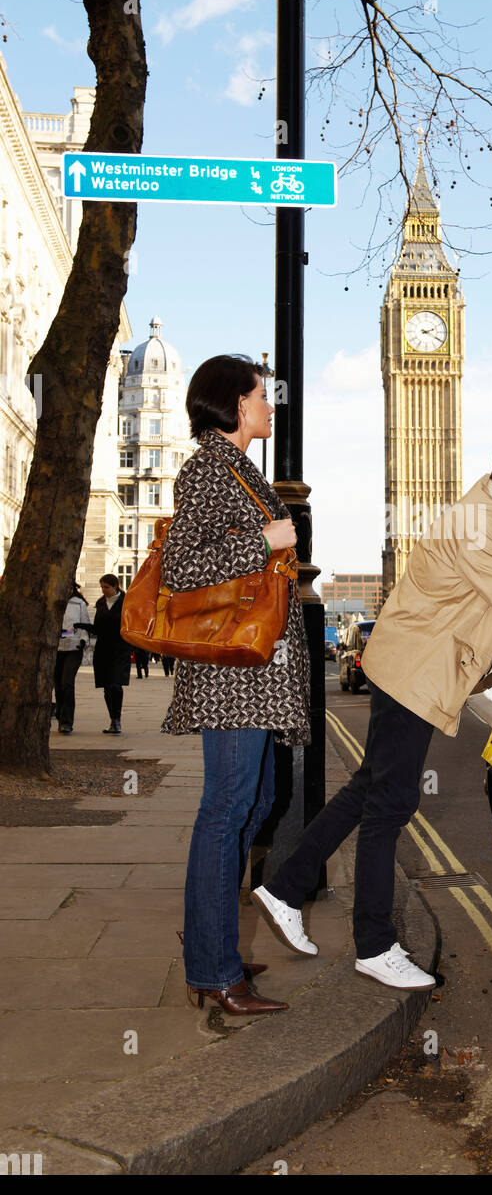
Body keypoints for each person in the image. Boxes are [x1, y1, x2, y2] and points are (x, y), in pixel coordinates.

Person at [253, 421, 492, 991]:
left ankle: (285, 886)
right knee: (390, 807)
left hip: (422, 664)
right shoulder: (481, 528)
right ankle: (374, 944)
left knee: (369, 787)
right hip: (414, 669)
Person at [160, 354, 310, 1017]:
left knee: (258, 801)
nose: (269, 405)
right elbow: (181, 567)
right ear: (232, 403)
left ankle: (209, 942)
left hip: (253, 676)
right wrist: (266, 542)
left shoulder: (238, 470)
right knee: (227, 812)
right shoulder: (207, 470)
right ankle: (214, 971)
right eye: (260, 395)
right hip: (230, 675)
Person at [93, 574, 132, 734]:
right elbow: (97, 626)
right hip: (103, 648)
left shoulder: (126, 602)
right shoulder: (100, 603)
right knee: (107, 686)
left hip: (120, 648)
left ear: (115, 586)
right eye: (102, 587)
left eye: (106, 587)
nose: (104, 590)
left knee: (116, 684)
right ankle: (113, 719)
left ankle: (117, 719)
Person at [54, 583, 91, 734]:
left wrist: (83, 639)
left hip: (74, 647)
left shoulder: (78, 603)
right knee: (58, 683)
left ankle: (67, 721)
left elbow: (85, 624)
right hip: (56, 647)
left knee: (67, 683)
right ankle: (60, 715)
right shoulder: (53, 601)